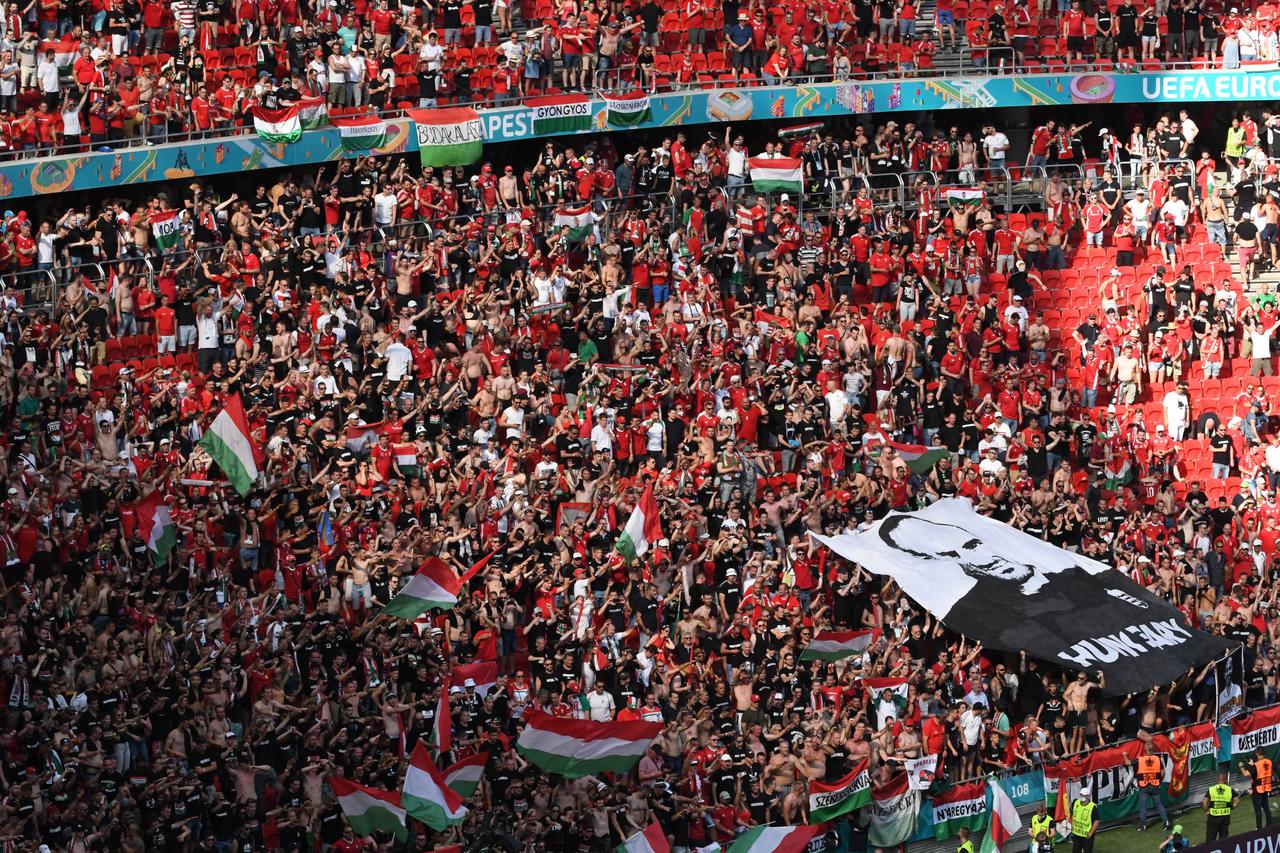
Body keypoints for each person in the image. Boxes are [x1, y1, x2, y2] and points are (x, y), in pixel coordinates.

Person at [1133, 740, 1170, 831]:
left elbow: (1132, 769)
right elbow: (1163, 772)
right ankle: (1166, 822)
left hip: (1144, 786)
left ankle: (1143, 825)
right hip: (1155, 785)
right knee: (1159, 805)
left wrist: (1125, 755)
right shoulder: (1157, 759)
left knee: (1143, 806)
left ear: (1144, 750)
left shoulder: (1140, 760)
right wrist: (1159, 781)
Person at [1241, 745, 1273, 829]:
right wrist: (1252, 764)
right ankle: (1270, 825)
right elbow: (1261, 770)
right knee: (1266, 807)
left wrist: (1241, 766)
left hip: (1257, 789)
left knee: (1258, 810)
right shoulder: (1269, 761)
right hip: (1266, 787)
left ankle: (1259, 828)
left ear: (1257, 753)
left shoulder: (1256, 765)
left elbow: (1245, 774)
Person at [1203, 770, 1240, 841]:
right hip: (1225, 817)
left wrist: (1206, 811)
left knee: (1210, 839)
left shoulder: (1211, 789)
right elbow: (1237, 801)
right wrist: (1231, 808)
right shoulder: (1229, 789)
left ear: (1217, 780)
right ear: (1225, 780)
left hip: (1213, 817)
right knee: (1223, 839)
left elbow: (1204, 802)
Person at [1071, 786, 1099, 853]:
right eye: (1081, 794)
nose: (1083, 796)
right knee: (1075, 851)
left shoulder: (1093, 807)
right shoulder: (1075, 802)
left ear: (1088, 796)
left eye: (1085, 795)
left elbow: (1096, 821)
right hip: (1076, 834)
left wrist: (1091, 833)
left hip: (1086, 836)